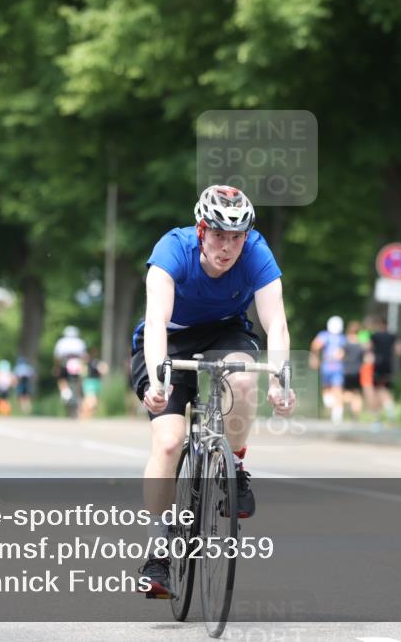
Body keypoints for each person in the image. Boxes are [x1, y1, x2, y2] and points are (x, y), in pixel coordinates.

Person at [131, 185, 296, 598]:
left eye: (236, 238)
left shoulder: (257, 253)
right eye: (218, 236)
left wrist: (279, 377)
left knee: (242, 379)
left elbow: (275, 323)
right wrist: (156, 379)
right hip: (169, 339)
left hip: (225, 333)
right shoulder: (172, 250)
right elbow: (155, 323)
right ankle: (158, 551)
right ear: (201, 230)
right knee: (168, 443)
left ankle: (235, 467)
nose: (227, 247)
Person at [311, 316, 346, 423]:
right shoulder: (341, 338)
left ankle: (336, 415)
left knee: (332, 389)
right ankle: (336, 412)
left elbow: (315, 346)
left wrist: (315, 358)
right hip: (335, 366)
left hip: (330, 366)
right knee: (332, 390)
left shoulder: (325, 335)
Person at [54, 326, 87, 417]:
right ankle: (78, 395)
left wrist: (56, 367)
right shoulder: (80, 342)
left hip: (65, 363)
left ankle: (65, 392)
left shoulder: (61, 342)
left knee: (61, 378)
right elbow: (84, 356)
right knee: (78, 381)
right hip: (77, 364)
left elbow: (57, 356)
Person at [368, 316, 396, 419]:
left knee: (377, 390)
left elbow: (367, 347)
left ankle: (378, 415)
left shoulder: (374, 336)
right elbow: (400, 349)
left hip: (378, 365)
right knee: (385, 388)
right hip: (388, 365)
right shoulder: (392, 336)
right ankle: (389, 408)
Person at [341, 321, 367, 419]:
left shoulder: (346, 343)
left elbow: (340, 355)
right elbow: (365, 359)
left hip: (347, 371)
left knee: (346, 393)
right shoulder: (361, 345)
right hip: (358, 371)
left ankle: (339, 406)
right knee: (357, 393)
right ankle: (356, 415)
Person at [80, 350, 107, 421]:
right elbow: (104, 369)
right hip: (90, 382)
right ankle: (85, 414)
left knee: (90, 400)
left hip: (92, 382)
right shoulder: (90, 363)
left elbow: (104, 369)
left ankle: (85, 414)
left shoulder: (93, 362)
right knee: (91, 400)